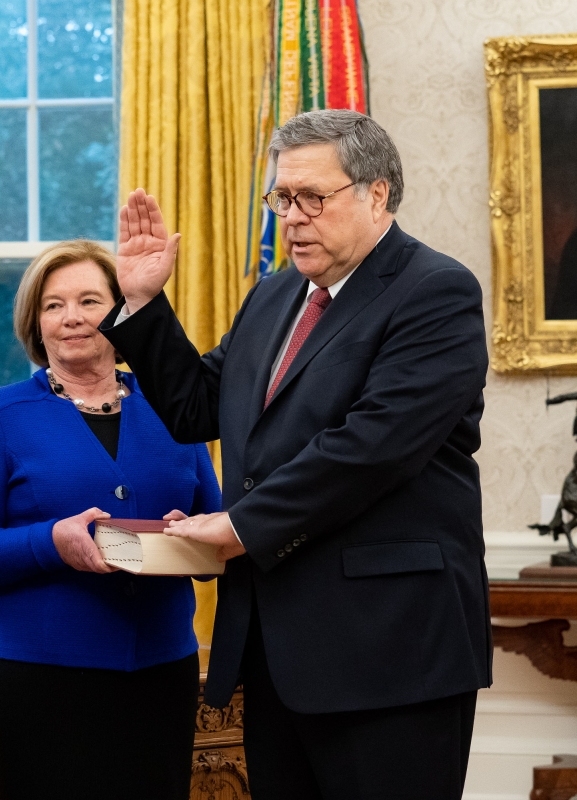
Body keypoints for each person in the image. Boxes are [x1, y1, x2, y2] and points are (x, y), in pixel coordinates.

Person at [102, 109, 489, 800]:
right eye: (283, 198)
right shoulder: (278, 293)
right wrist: (143, 302)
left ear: (377, 194)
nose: (293, 217)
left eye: (314, 197)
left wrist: (236, 526)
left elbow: (371, 448)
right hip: (277, 653)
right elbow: (198, 407)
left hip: (390, 652)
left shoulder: (436, 291)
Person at [0, 240, 222, 800]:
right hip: (45, 679)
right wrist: (50, 541)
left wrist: (194, 539)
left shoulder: (175, 403)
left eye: (90, 301)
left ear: (121, 312)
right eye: (53, 305)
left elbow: (216, 538)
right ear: (35, 322)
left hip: (163, 670)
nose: (71, 317)